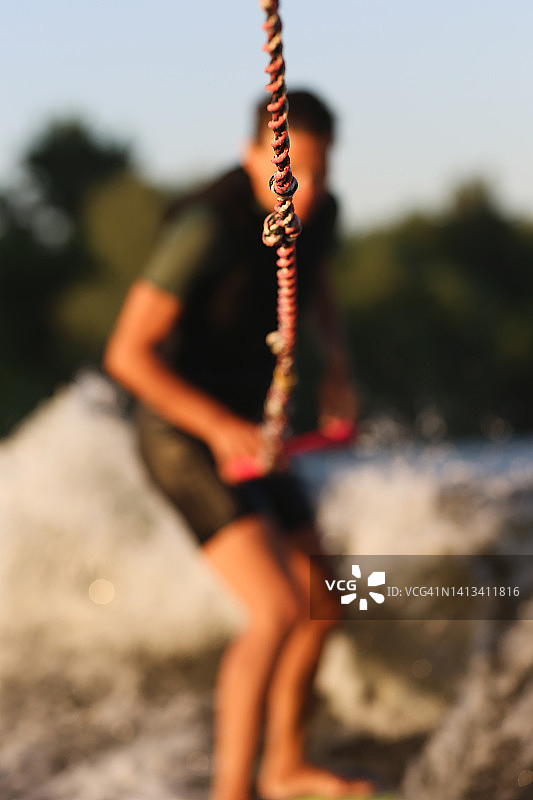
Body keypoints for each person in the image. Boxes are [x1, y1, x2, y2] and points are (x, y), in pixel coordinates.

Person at [104, 90, 374, 800]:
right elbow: (126, 355)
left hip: (258, 427)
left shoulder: (319, 214)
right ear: (251, 156)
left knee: (323, 601)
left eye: (320, 175)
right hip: (180, 432)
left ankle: (283, 767)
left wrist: (339, 368)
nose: (307, 193)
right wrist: (218, 427)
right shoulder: (207, 228)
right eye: (292, 175)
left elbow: (315, 284)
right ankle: (231, 792)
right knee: (276, 609)